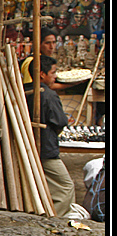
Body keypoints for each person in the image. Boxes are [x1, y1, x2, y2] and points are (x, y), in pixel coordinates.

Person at [24, 55, 76, 217]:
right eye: (53, 73)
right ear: (42, 74)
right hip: (45, 148)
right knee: (66, 186)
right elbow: (60, 122)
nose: (55, 76)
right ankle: (55, 218)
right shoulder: (48, 95)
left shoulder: (23, 90)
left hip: (27, 146)